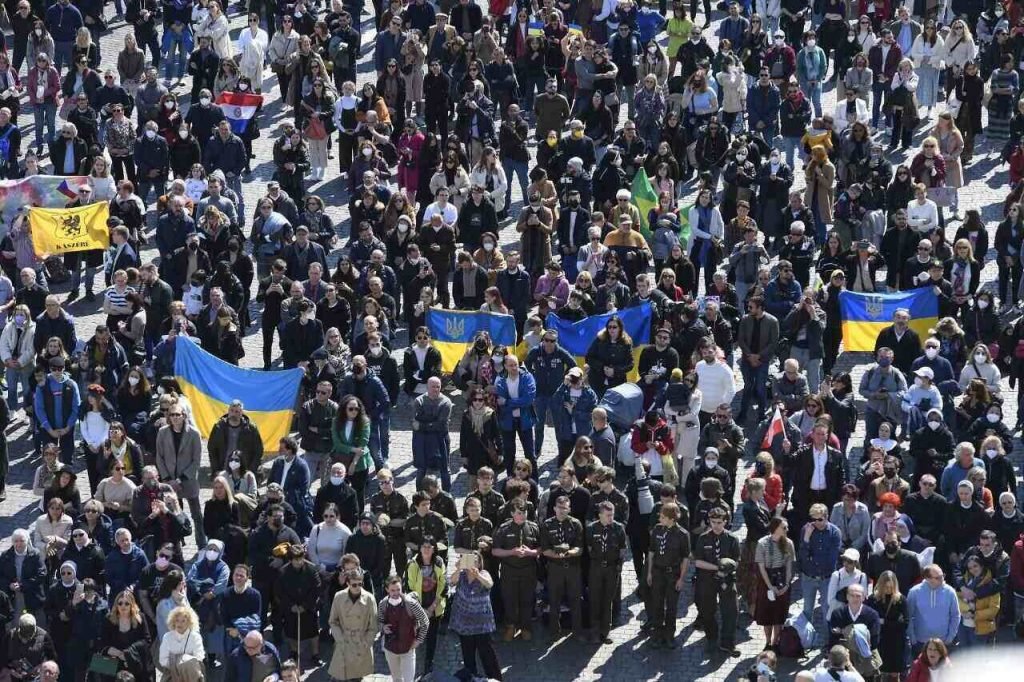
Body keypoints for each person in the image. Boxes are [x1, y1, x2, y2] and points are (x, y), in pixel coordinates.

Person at [328, 569, 377, 681]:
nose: (357, 587)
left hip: (360, 643)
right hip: (344, 642)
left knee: (356, 677)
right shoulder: (339, 597)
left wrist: (367, 642)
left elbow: (373, 625)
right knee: (339, 675)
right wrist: (340, 638)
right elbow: (333, 621)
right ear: (347, 583)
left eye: (360, 584)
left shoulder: (369, 598)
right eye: (354, 585)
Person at [378, 575, 430, 682]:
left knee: (409, 679)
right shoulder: (383, 604)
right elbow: (379, 621)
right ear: (387, 590)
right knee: (396, 679)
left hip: (408, 648)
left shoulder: (411, 603)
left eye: (398, 589)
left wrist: (418, 640)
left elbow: (425, 621)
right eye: (393, 590)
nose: (396, 593)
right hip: (390, 648)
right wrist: (383, 627)